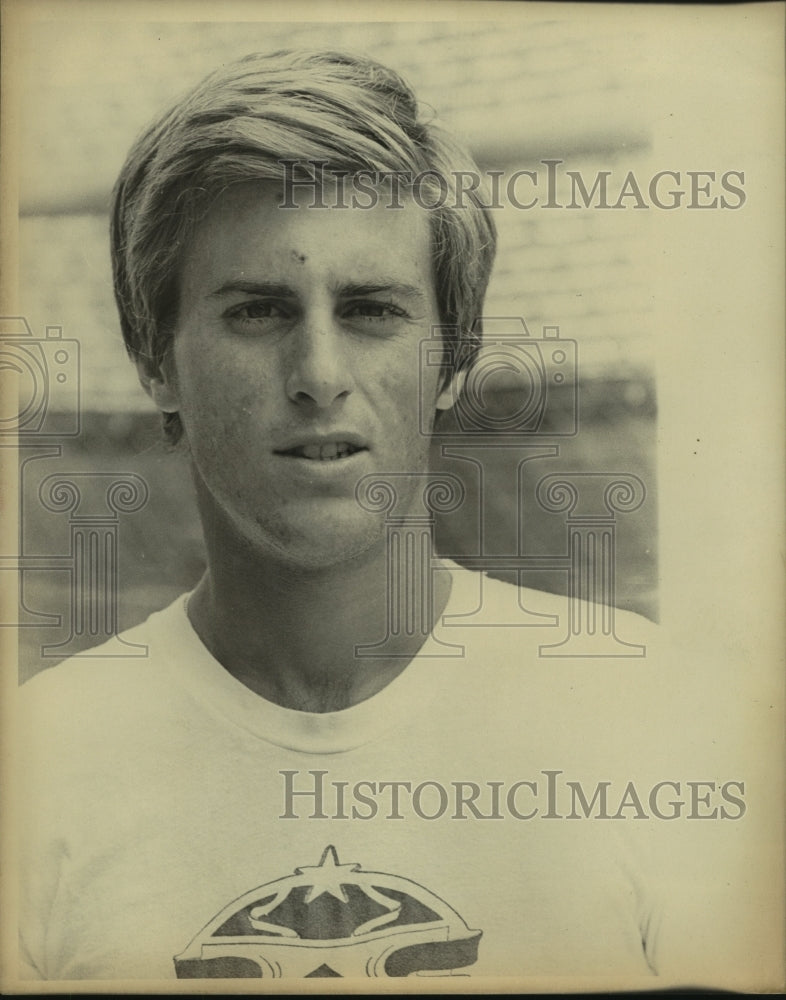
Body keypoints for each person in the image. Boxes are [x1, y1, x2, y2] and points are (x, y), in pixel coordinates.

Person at [19, 49, 667, 984]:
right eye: (256, 311)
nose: (319, 375)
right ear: (157, 359)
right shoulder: (38, 779)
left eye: (370, 309)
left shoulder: (644, 719)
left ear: (450, 361)